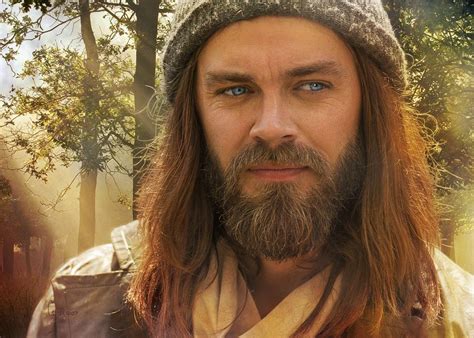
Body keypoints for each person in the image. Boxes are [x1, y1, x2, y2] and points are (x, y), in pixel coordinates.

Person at [27, 0, 473, 337]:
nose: (272, 127)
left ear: (369, 110)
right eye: (236, 90)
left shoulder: (455, 318)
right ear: (193, 119)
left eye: (313, 85)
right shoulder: (79, 307)